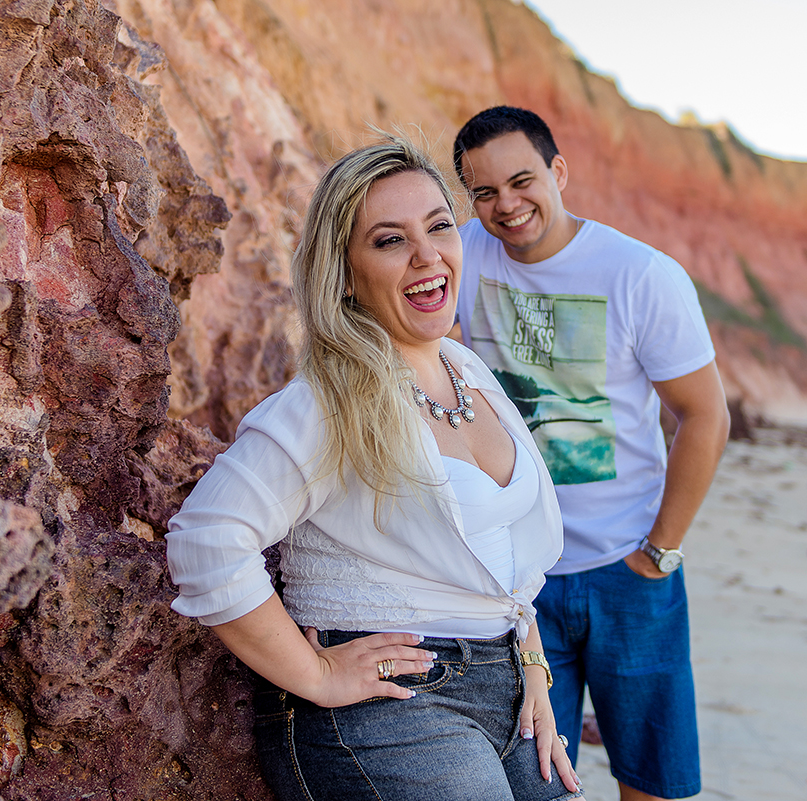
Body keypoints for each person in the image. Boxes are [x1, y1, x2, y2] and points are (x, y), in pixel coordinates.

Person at [165, 136, 583, 801]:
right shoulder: (329, 400)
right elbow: (206, 539)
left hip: (508, 692)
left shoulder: (468, 372)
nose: (426, 254)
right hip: (389, 707)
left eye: (439, 226)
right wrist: (317, 673)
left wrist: (531, 661)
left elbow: (508, 551)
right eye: (390, 240)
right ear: (345, 270)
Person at [451, 106, 730, 801]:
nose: (506, 206)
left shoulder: (641, 274)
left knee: (652, 778)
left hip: (628, 570)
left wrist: (658, 554)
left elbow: (704, 416)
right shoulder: (459, 255)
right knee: (538, 781)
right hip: (518, 581)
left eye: (522, 181)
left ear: (558, 172)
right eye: (484, 192)